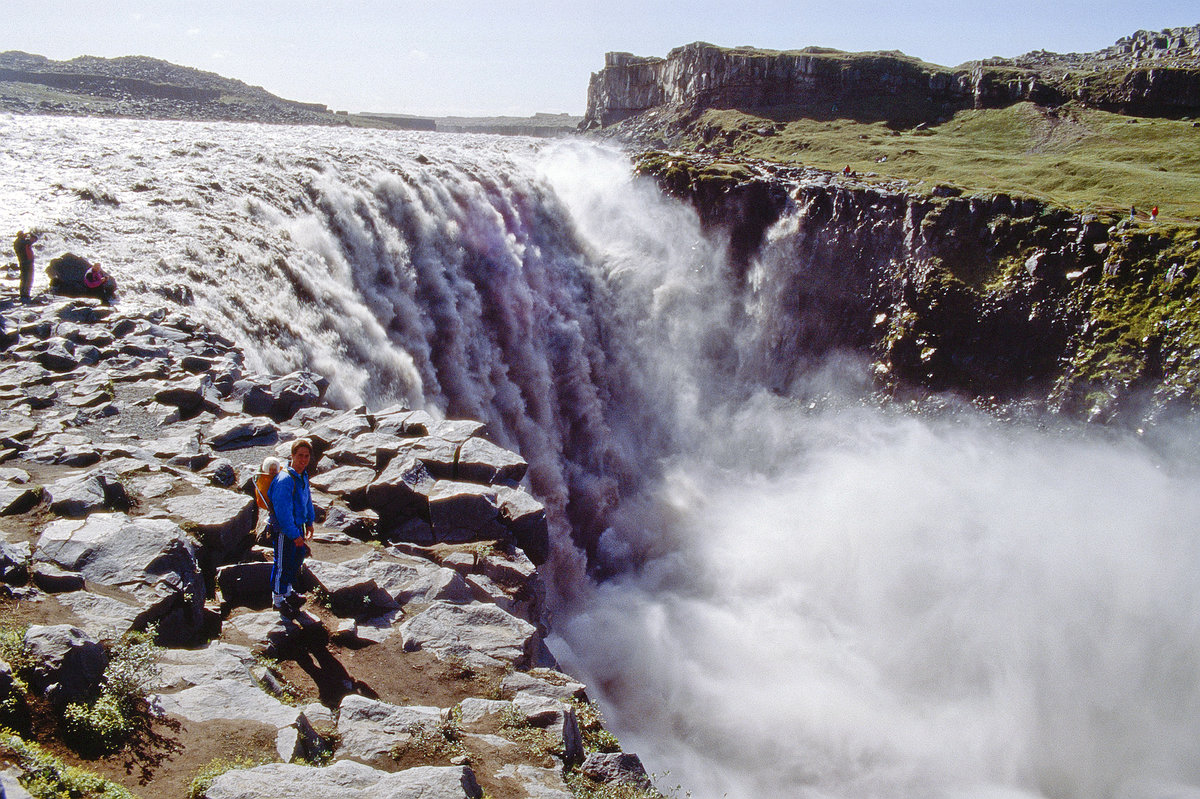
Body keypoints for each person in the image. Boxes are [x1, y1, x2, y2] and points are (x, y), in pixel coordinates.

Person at [268, 440, 315, 614]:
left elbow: (307, 499)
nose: (303, 459)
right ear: (292, 456)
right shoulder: (285, 479)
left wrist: (310, 521)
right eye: (300, 455)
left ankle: (287, 592)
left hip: (298, 526)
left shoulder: (302, 476)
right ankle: (278, 600)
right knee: (282, 563)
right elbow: (283, 511)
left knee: (295, 559)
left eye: (306, 456)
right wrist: (293, 534)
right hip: (284, 530)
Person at [13, 231, 38, 302]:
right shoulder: (19, 242)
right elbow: (31, 241)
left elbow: (35, 239)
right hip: (25, 262)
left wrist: (30, 235)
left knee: (27, 278)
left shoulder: (22, 242)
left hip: (27, 262)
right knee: (26, 278)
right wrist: (31, 235)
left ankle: (26, 293)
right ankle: (24, 294)